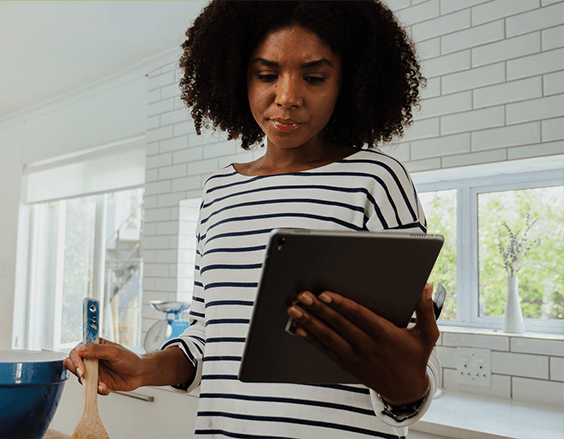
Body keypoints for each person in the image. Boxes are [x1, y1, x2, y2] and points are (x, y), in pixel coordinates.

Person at [64, 1, 441, 437]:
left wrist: (410, 384)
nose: (286, 97)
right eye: (266, 75)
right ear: (237, 75)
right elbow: (208, 336)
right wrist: (144, 368)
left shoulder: (377, 180)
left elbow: (413, 353)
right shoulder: (219, 192)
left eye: (314, 78)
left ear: (349, 80)